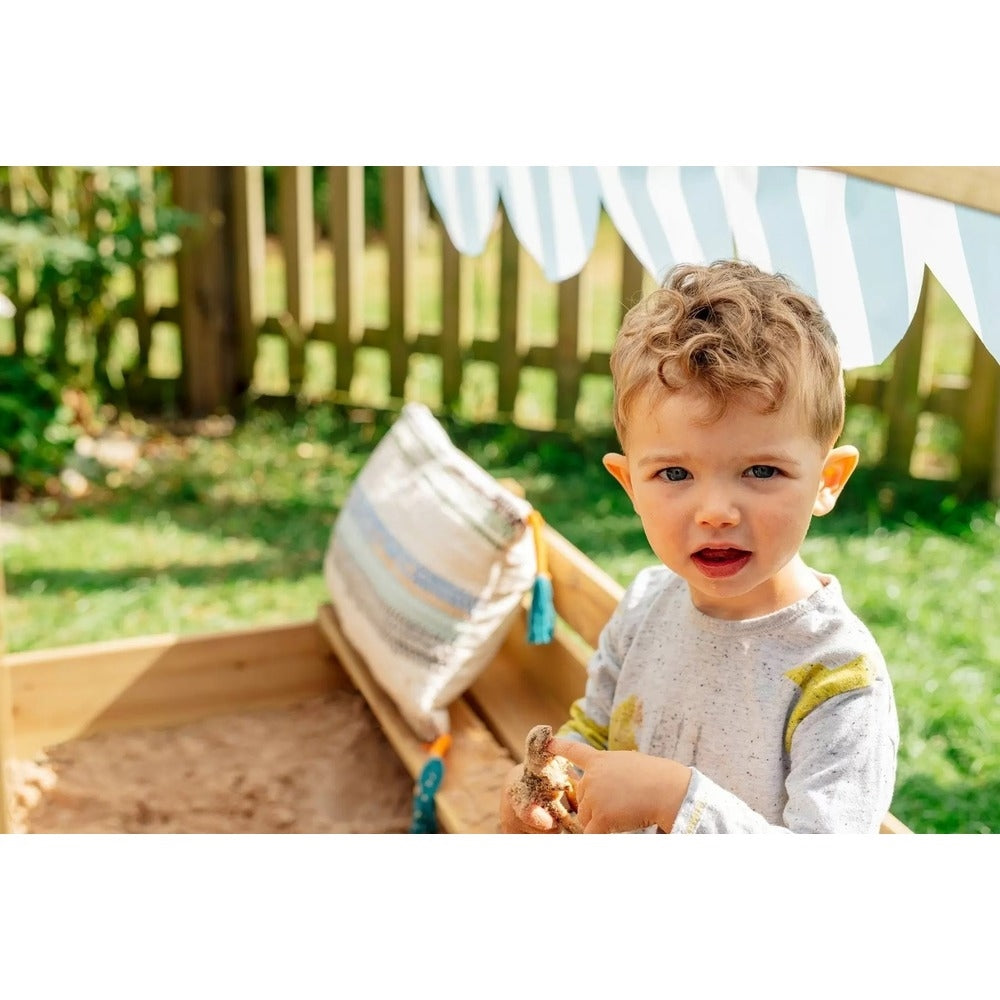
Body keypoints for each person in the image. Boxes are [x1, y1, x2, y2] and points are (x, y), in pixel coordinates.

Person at [500, 259, 899, 834]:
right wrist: (551, 786)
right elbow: (595, 733)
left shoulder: (837, 679)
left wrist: (677, 803)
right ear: (630, 484)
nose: (715, 511)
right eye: (674, 475)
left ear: (827, 481)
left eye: (761, 470)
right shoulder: (645, 607)